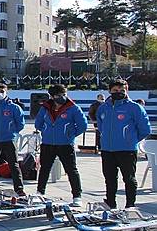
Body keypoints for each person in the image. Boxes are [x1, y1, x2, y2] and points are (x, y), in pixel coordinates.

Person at [97, 79, 151, 209]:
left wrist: (130, 140)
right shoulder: (103, 108)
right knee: (109, 178)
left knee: (129, 178)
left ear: (127, 90)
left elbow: (145, 129)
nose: (119, 93)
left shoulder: (134, 108)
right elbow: (100, 125)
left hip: (126, 150)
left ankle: (130, 205)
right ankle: (110, 203)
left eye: (122, 90)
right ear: (110, 91)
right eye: (115, 90)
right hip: (107, 150)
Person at [34, 85, 88, 206]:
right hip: (48, 143)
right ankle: (40, 192)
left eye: (64, 94)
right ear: (52, 96)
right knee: (44, 169)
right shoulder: (45, 108)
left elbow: (82, 125)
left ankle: (77, 196)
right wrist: (46, 131)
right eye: (59, 95)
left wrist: (70, 134)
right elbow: (38, 123)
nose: (62, 97)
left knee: (71, 170)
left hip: (65, 144)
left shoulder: (73, 108)